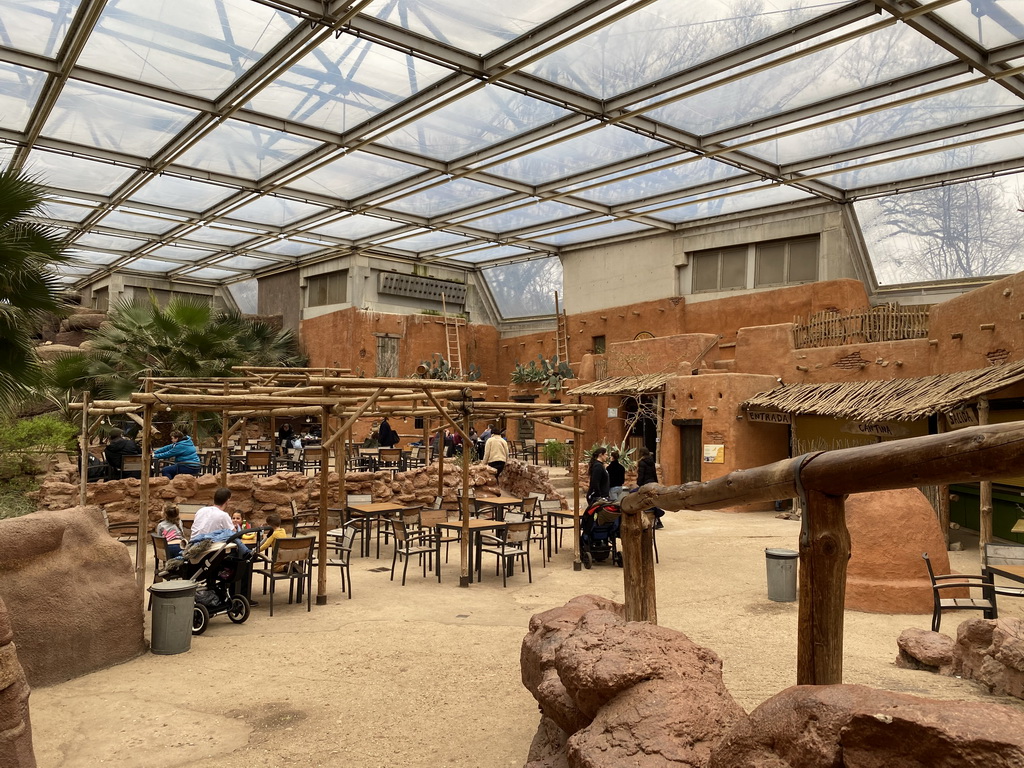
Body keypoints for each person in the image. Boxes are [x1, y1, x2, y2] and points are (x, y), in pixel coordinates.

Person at [634, 447, 664, 529]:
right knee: (652, 500)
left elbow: (641, 475)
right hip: (653, 483)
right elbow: (654, 474)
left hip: (645, 484)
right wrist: (656, 483)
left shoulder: (641, 463)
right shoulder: (651, 462)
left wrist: (639, 484)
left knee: (643, 501)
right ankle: (658, 519)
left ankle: (644, 521)